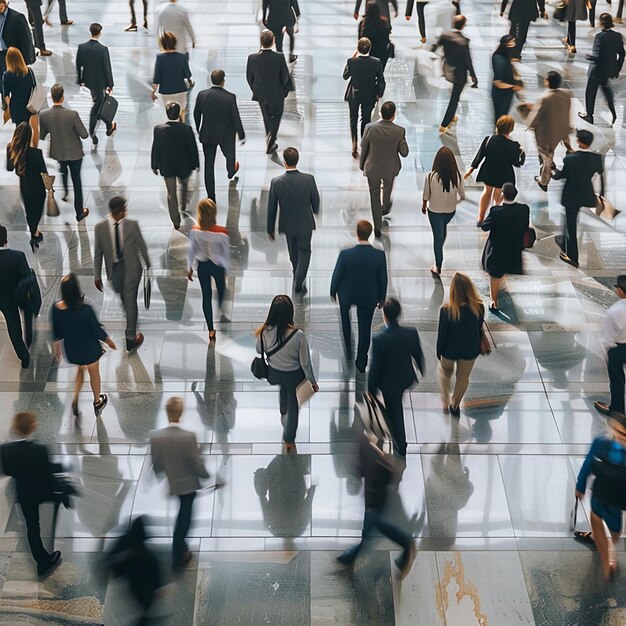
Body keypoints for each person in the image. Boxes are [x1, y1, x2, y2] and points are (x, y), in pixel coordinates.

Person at [336, 429, 416, 578]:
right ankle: (350, 557)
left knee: (374, 525)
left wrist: (355, 469)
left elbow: (363, 466)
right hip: (376, 489)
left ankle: (406, 542)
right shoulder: (365, 438)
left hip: (375, 491)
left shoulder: (364, 438)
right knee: (372, 525)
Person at [150, 397, 210, 568]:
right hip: (189, 485)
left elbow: (157, 464)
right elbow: (194, 462)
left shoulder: (157, 437)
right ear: (181, 413)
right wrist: (205, 474)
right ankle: (179, 551)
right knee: (185, 518)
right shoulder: (188, 437)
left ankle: (180, 546)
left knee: (182, 515)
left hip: (173, 482)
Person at [0, 412, 63, 575]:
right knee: (57, 500)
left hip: (25, 494)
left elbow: (8, 470)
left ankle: (42, 561)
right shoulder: (40, 450)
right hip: (42, 490)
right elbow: (47, 473)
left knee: (32, 527)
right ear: (33, 427)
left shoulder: (5, 451)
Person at [255, 295, 318, 450]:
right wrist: (312, 382)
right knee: (294, 405)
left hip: (274, 374)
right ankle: (289, 438)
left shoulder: (264, 332)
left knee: (284, 388)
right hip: (294, 376)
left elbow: (258, 349)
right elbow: (305, 363)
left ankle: (283, 411)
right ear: (290, 313)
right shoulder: (298, 335)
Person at [51, 273, 116, 418]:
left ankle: (75, 398)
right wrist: (109, 341)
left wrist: (57, 351)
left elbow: (56, 334)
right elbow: (96, 330)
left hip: (72, 351)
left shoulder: (56, 309)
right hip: (90, 350)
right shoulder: (85, 309)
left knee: (80, 368)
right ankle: (97, 401)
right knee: (94, 373)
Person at [94, 196, 151, 353]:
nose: (126, 212)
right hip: (114, 269)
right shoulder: (100, 228)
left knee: (130, 301)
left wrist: (148, 264)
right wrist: (96, 276)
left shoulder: (132, 225)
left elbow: (141, 245)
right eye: (123, 210)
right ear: (116, 213)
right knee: (124, 298)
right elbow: (98, 253)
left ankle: (130, 338)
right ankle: (131, 318)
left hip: (132, 267)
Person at [368, 297, 424, 456]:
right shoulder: (411, 333)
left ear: (384, 316)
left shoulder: (379, 339)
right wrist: (420, 370)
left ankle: (401, 444)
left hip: (388, 384)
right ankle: (397, 439)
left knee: (395, 412)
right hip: (405, 378)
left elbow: (376, 367)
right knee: (395, 406)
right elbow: (418, 355)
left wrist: (371, 389)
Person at [330, 220, 388, 372]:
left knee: (345, 322)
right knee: (365, 329)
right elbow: (383, 278)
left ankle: (348, 351)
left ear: (357, 234)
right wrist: (382, 298)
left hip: (346, 295)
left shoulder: (346, 254)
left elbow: (337, 274)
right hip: (368, 296)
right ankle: (361, 361)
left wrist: (333, 291)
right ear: (369, 234)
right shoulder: (379, 255)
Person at [574, 412, 626, 581]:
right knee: (596, 519)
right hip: (600, 494)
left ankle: (606, 547)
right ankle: (607, 564)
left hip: (617, 500)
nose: (619, 437)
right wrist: (580, 485)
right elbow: (588, 463)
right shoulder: (601, 443)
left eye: (623, 434)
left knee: (615, 531)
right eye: (617, 432)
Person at [267, 147, 320, 294]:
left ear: (284, 162)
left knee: (293, 253)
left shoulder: (276, 182)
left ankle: (296, 274)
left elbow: (272, 207)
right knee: (305, 251)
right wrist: (315, 210)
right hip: (305, 224)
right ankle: (299, 279)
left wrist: (270, 229)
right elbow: (315, 202)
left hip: (287, 224)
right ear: (297, 160)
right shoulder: (309, 179)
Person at [38, 83, 90, 223]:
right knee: (77, 181)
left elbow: (42, 135)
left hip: (58, 151)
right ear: (62, 97)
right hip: (75, 153)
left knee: (63, 170)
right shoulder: (72, 114)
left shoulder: (44, 115)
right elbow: (84, 134)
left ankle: (66, 191)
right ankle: (79, 212)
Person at [553, 128, 603, 268]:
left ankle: (572, 256)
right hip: (586, 194)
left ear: (579, 142)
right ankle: (563, 241)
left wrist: (552, 170)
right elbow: (599, 173)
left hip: (571, 196)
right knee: (570, 221)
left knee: (571, 224)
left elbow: (560, 176)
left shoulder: (570, 159)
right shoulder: (596, 158)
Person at [436, 272, 484, 417]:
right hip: (470, 351)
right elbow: (479, 326)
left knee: (444, 373)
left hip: (450, 351)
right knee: (463, 378)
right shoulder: (479, 307)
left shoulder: (446, 310)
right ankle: (455, 405)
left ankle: (445, 398)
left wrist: (439, 352)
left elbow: (442, 334)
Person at [193, 69, 245, 201]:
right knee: (229, 154)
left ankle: (211, 196)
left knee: (208, 165)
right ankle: (230, 172)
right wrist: (241, 134)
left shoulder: (202, 95)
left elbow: (196, 114)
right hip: (226, 134)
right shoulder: (230, 97)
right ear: (223, 81)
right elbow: (235, 117)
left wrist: (199, 129)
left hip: (208, 133)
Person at [359, 100, 408, 238]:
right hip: (390, 168)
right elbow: (404, 153)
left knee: (374, 195)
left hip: (373, 167)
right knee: (387, 190)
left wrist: (362, 164)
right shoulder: (399, 131)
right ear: (393, 115)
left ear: (381, 113)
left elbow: (364, 147)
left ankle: (377, 227)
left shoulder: (370, 127)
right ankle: (385, 206)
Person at [465, 115, 525, 226]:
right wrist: (522, 153)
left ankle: (480, 218)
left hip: (489, 170)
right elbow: (517, 163)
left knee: (486, 191)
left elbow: (480, 155)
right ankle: (494, 218)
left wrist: (472, 168)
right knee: (498, 196)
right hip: (504, 173)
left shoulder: (489, 139)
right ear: (510, 129)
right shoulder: (513, 145)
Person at [480, 183, 530, 310]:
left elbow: (484, 226)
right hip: (513, 248)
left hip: (497, 249)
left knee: (494, 274)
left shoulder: (496, 212)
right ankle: (497, 292)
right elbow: (525, 227)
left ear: (502, 195)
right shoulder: (524, 209)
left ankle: (493, 300)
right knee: (503, 270)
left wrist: (496, 206)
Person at [187, 198, 230, 342]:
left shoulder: (195, 231)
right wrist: (226, 268)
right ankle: (221, 309)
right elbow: (226, 253)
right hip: (218, 266)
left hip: (202, 265)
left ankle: (211, 329)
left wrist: (190, 267)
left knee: (206, 296)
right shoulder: (222, 233)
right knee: (221, 289)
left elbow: (191, 250)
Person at [151, 102, 199, 229]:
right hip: (184, 165)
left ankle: (175, 220)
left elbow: (155, 148)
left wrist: (154, 164)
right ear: (179, 113)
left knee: (171, 193)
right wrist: (196, 163)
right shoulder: (186, 129)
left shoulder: (158, 129)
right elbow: (192, 148)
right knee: (184, 185)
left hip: (167, 166)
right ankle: (183, 204)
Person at [422, 146, 465, 276]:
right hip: (450, 211)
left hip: (434, 211)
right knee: (442, 229)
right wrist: (453, 201)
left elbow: (426, 196)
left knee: (437, 237)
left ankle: (438, 265)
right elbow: (462, 196)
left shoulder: (430, 177)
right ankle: (440, 244)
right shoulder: (457, 176)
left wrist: (424, 206)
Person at [246, 30, 291, 155]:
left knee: (266, 116)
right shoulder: (279, 57)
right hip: (276, 92)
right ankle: (271, 139)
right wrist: (281, 88)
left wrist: (255, 89)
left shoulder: (252, 58)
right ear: (273, 42)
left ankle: (269, 136)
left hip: (261, 93)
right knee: (277, 115)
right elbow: (285, 76)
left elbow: (249, 77)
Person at [431, 15, 478, 133]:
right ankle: (445, 123)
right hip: (459, 74)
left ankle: (450, 118)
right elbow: (467, 61)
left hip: (447, 69)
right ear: (463, 26)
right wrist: (473, 76)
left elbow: (435, 47)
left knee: (454, 96)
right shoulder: (463, 42)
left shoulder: (445, 35)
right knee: (454, 99)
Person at [529, 71, 573, 192]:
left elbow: (534, 119)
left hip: (546, 133)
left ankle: (543, 181)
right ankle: (549, 168)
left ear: (548, 82)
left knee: (546, 156)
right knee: (548, 155)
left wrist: (529, 122)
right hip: (561, 130)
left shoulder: (544, 98)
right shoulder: (566, 94)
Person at [578, 13, 625, 126]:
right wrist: (616, 69)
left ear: (601, 23)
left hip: (596, 70)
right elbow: (622, 54)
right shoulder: (617, 36)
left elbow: (597, 56)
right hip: (608, 70)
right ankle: (613, 113)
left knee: (590, 92)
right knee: (607, 91)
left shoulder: (599, 37)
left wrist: (589, 57)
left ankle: (589, 115)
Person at [343, 37, 386, 158]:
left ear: (358, 48)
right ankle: (364, 143)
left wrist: (352, 58)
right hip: (369, 94)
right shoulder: (376, 62)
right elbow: (381, 81)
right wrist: (379, 94)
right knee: (366, 119)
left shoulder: (352, 61)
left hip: (354, 94)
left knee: (353, 118)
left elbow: (345, 76)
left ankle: (353, 143)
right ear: (370, 48)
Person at [7, 122, 45, 251]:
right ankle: (35, 233)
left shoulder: (11, 149)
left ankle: (34, 234)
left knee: (29, 211)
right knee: (37, 210)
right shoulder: (36, 153)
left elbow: (10, 168)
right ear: (29, 136)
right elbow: (44, 172)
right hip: (39, 187)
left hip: (25, 186)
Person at [76, 23, 116, 145]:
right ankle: (93, 131)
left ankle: (109, 125)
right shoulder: (103, 49)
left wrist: (80, 79)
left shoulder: (82, 47)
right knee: (98, 107)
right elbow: (107, 68)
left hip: (89, 81)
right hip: (101, 82)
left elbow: (79, 65)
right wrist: (110, 84)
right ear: (100, 33)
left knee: (99, 102)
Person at [594, 276, 626, 417]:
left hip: (618, 349)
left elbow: (608, 339)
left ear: (620, 291)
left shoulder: (613, 311)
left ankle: (617, 410)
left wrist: (607, 353)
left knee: (617, 380)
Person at [0, 225, 31, 368]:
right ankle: (26, 350)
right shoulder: (18, 256)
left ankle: (24, 357)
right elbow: (27, 278)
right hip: (15, 298)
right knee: (19, 324)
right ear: (6, 239)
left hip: (5, 300)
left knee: (14, 329)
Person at [151, 31, 193, 120]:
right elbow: (188, 74)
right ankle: (181, 128)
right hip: (181, 90)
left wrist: (153, 92)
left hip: (166, 92)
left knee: (169, 114)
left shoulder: (160, 58)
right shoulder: (182, 57)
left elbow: (156, 79)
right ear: (174, 42)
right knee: (182, 111)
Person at [0, 0, 36, 94]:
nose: (1, 6)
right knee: (2, 82)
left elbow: (26, 40)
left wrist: (27, 60)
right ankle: (5, 101)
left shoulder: (17, 18)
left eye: (2, 3)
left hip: (11, 55)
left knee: (14, 82)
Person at [491, 34, 522, 123]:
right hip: (501, 95)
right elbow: (498, 82)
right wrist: (513, 86)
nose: (514, 45)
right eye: (512, 42)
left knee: (503, 116)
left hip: (507, 93)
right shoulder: (499, 60)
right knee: (500, 117)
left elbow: (510, 66)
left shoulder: (504, 55)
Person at [2, 46, 35, 128]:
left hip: (16, 107)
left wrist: (9, 107)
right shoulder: (29, 71)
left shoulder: (7, 75)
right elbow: (34, 87)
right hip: (30, 104)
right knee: (29, 127)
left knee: (19, 128)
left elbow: (6, 95)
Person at [359, 2, 391, 70]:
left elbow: (360, 39)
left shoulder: (363, 24)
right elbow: (386, 40)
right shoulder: (383, 24)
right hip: (381, 53)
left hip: (368, 52)